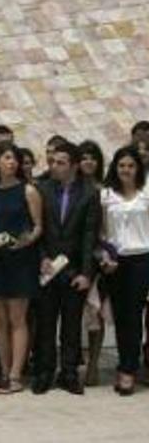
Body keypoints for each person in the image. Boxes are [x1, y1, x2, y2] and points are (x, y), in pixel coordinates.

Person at [32, 142, 99, 396]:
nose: (54, 167)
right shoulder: (43, 189)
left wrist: (86, 273)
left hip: (73, 272)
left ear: (73, 165)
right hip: (47, 269)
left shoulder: (89, 193)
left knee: (71, 326)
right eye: (52, 162)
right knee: (46, 324)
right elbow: (37, 229)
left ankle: (69, 372)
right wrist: (41, 258)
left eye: (60, 163)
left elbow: (89, 236)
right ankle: (44, 372)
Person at [0, 142, 42, 395]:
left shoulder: (28, 191)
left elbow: (38, 226)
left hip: (20, 261)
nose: (11, 162)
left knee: (18, 319)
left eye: (15, 158)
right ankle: (4, 372)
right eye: (6, 158)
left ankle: (16, 375)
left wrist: (27, 239)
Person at [98, 146, 149, 396]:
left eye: (130, 166)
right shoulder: (106, 195)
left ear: (137, 168)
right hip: (116, 262)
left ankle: (129, 368)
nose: (126, 170)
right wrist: (105, 256)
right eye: (121, 166)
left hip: (142, 261)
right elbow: (103, 232)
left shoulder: (147, 192)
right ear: (114, 168)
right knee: (120, 317)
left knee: (134, 315)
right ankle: (124, 364)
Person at [77, 140, 107, 386]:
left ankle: (93, 365)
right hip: (73, 258)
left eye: (93, 157)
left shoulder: (106, 189)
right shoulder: (69, 188)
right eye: (84, 157)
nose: (88, 161)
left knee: (95, 312)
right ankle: (72, 360)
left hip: (100, 259)